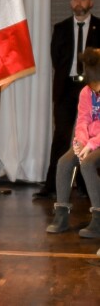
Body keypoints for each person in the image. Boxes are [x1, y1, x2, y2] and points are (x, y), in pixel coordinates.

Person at [35, 0, 100, 199]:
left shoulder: (99, 26)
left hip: (91, 89)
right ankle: (52, 186)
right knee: (61, 136)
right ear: (71, 4)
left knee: (91, 136)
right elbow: (56, 58)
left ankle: (85, 185)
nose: (78, 3)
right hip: (66, 88)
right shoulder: (61, 27)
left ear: (90, 2)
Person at [46, 47, 100, 237]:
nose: (95, 89)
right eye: (93, 85)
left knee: (87, 163)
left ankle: (98, 218)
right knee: (64, 162)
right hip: (89, 142)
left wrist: (90, 146)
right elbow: (83, 120)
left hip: (98, 142)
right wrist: (80, 142)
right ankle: (61, 215)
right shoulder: (85, 92)